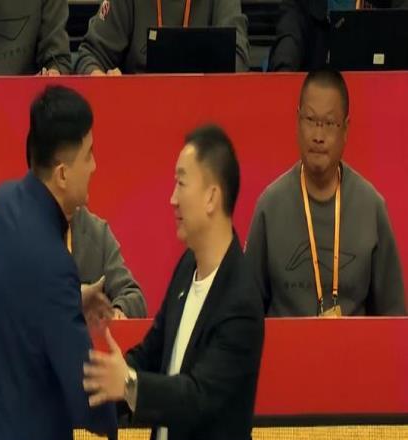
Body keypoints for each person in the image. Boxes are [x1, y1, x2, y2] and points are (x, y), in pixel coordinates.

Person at [0, 86, 117, 440]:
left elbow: (16, 296)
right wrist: (132, 392)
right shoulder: (55, 266)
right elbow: (87, 397)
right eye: (89, 155)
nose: (95, 166)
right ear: (63, 174)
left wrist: (70, 300)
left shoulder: (1, 202)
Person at [83, 125, 264, 440]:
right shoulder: (186, 267)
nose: (172, 199)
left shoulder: (242, 298)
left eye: (181, 183)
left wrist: (128, 383)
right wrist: (102, 381)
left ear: (211, 197)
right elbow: (152, 354)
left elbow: (198, 396)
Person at [245, 69, 406, 317]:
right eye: (310, 120)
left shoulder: (371, 207)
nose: (318, 136)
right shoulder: (270, 206)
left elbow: (393, 316)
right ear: (297, 121)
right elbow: (246, 314)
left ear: (346, 129)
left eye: (329, 123)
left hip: (354, 344)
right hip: (287, 344)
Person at [0, 205, 148, 319]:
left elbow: (134, 296)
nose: (93, 167)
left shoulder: (97, 232)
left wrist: (118, 311)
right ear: (61, 175)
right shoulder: (12, 233)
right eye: (86, 159)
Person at [74, 0, 250, 75]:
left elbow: (237, 59)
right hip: (139, 111)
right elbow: (91, 56)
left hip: (206, 110)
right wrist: (98, 75)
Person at [268, 0, 408, 72]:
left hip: (378, 93)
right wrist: (284, 76)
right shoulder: (301, 4)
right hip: (319, 98)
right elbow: (289, 41)